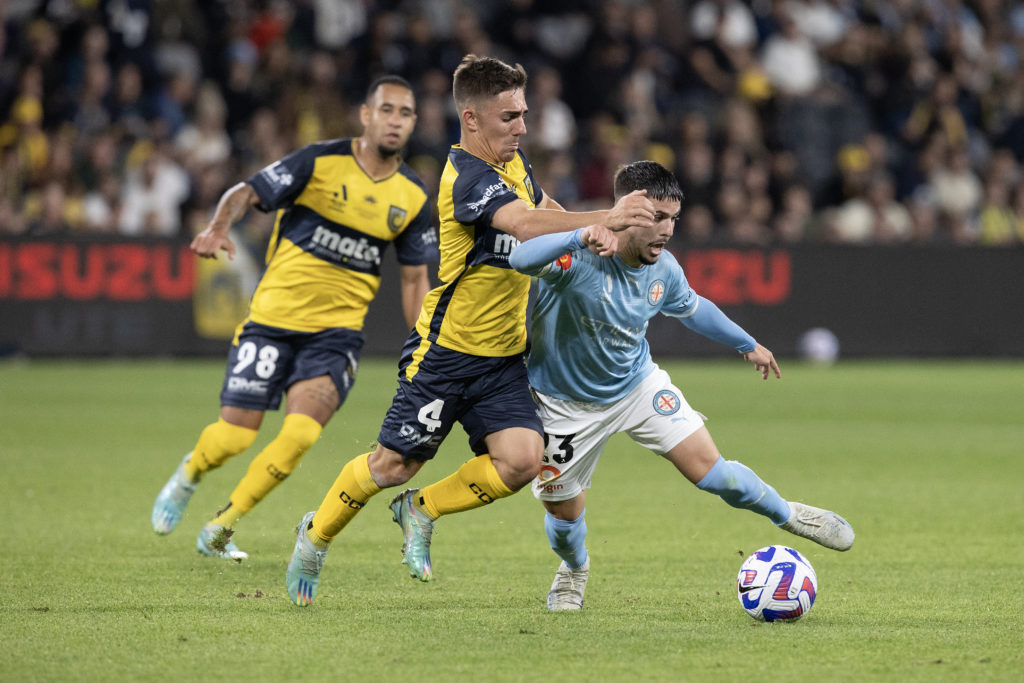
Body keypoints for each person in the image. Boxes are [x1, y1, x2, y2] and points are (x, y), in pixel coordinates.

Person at [285, 54, 657, 606]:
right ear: (472, 119)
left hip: (504, 357)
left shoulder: (513, 162)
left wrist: (583, 234)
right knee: (393, 463)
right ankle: (314, 539)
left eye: (524, 114)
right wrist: (603, 218)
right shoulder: (466, 177)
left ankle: (421, 509)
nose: (523, 126)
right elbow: (525, 225)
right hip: (447, 353)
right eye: (510, 116)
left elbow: (541, 207)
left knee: (523, 460)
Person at [507, 160, 855, 610]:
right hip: (564, 406)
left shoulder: (663, 268)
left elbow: (694, 308)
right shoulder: (582, 254)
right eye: (656, 217)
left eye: (673, 218)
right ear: (626, 210)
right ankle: (574, 568)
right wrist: (581, 231)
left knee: (715, 474)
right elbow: (518, 259)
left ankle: (790, 514)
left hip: (637, 387)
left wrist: (747, 343)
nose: (667, 229)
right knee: (565, 517)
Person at [150, 76, 438, 560]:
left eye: (405, 113)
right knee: (234, 436)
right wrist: (218, 226)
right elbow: (247, 191)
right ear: (365, 115)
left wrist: (424, 348)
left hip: (336, 335)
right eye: (386, 109)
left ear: (413, 123)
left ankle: (222, 526)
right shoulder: (318, 161)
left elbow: (414, 282)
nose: (395, 120)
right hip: (271, 321)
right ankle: (190, 474)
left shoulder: (412, 196)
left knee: (301, 433)